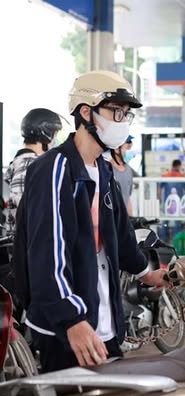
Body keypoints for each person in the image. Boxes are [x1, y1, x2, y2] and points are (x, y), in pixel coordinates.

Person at [17, 70, 169, 372]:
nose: (123, 122)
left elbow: (121, 236)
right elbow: (47, 253)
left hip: (104, 320)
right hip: (67, 328)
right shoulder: (55, 169)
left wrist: (146, 273)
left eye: (127, 115)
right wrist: (70, 319)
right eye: (116, 112)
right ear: (86, 112)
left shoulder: (104, 169)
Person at [4, 108, 62, 210]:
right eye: (55, 135)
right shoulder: (29, 164)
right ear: (46, 135)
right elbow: (25, 211)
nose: (54, 141)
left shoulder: (20, 162)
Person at [111, 135, 135, 214]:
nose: (130, 151)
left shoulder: (128, 170)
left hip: (124, 218)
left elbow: (127, 197)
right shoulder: (107, 169)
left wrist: (130, 218)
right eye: (127, 148)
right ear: (116, 149)